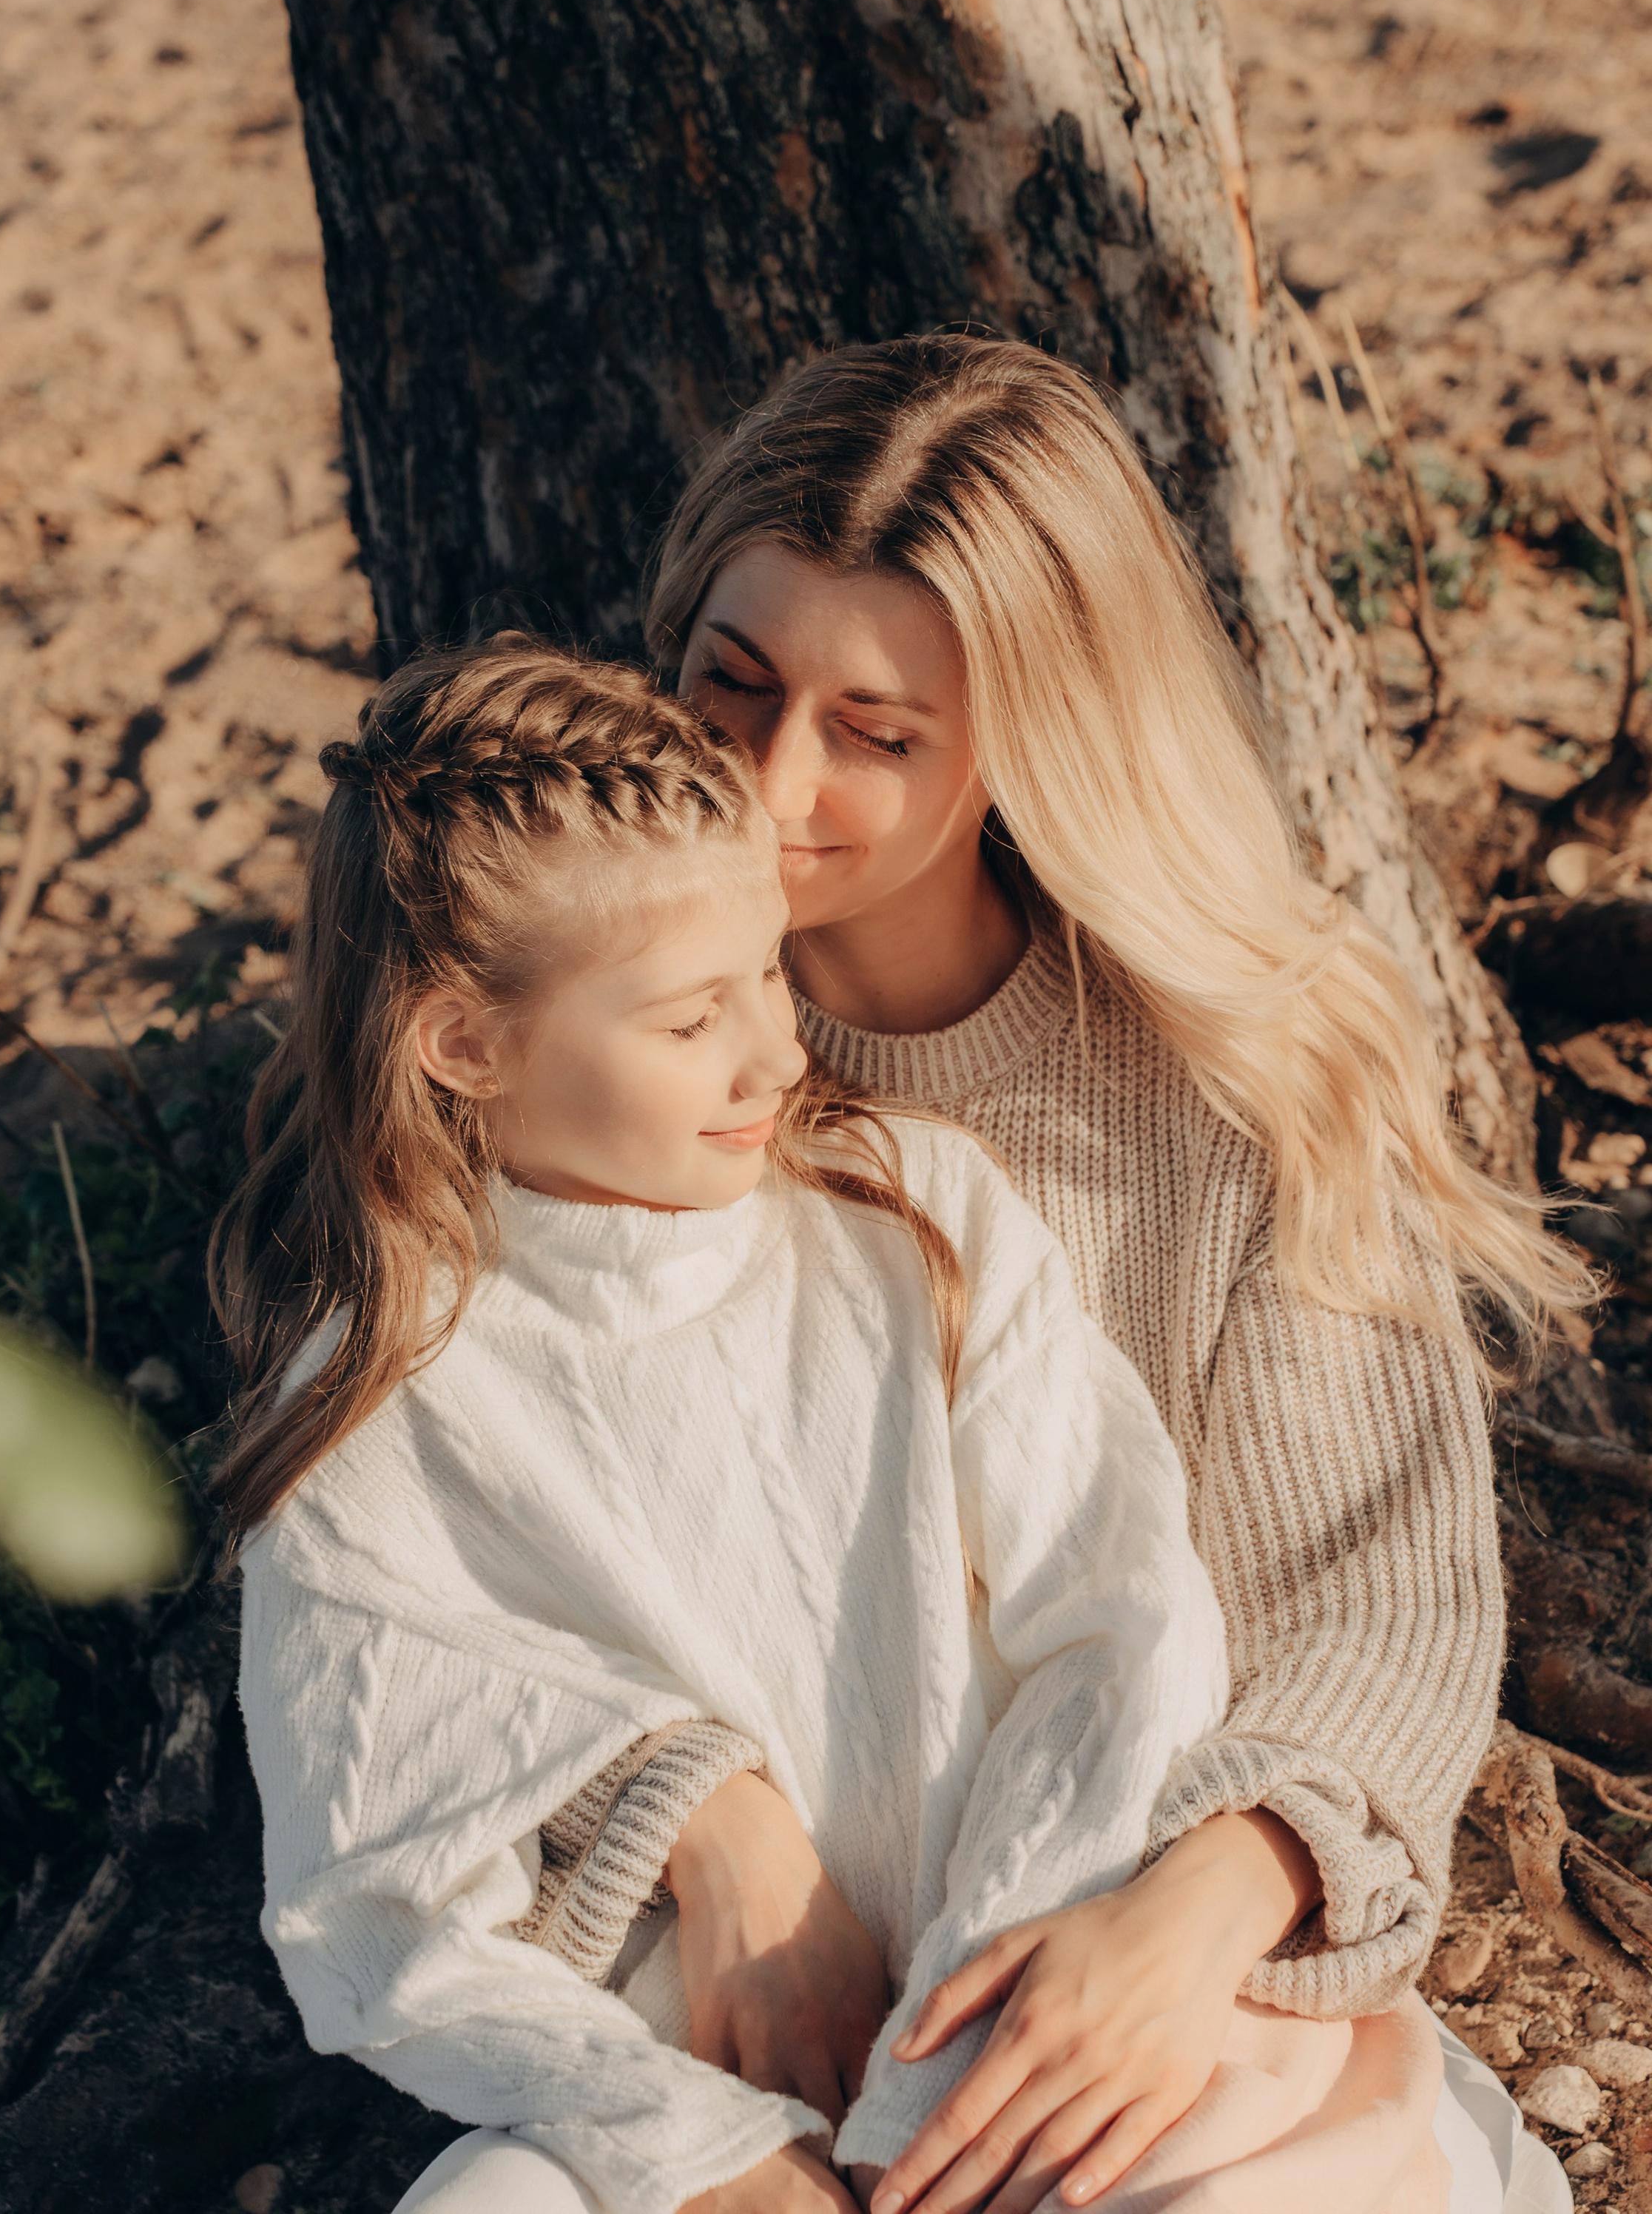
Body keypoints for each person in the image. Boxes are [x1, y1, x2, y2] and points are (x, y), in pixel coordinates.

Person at [516, 339, 1585, 2213]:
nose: (769, 783)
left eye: (876, 731)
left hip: (1144, 1966)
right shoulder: (554, 1069)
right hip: (725, 2004)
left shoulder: (1238, 1082)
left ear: (1028, 732)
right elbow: (440, 1570)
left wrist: (1194, 1910)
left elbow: (1368, 1588)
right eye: (733, 685)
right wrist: (701, 1817)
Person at [212, 638, 1454, 2214]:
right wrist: (708, 2159)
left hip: (1046, 1992)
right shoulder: (378, 1397)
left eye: (766, 975)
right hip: (687, 2087)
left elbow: (1123, 1625)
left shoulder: (910, 1217)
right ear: (463, 1043)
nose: (772, 1054)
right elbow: (369, 1897)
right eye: (684, 1022)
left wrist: (951, 2060)